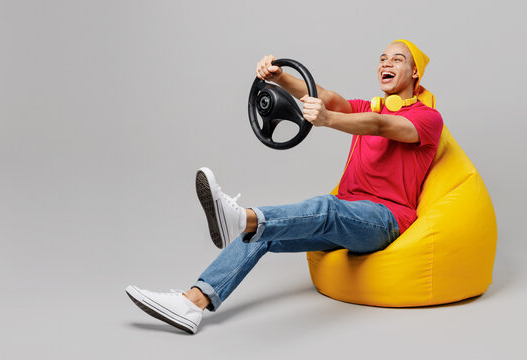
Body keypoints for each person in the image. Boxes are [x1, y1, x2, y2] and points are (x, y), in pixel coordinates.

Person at [125, 39, 444, 334]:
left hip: (384, 221)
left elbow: (382, 126)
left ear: (414, 71)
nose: (386, 63)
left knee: (325, 207)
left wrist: (328, 120)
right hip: (348, 215)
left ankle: (243, 219)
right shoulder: (366, 106)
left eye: (397, 59)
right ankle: (191, 303)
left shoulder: (428, 118)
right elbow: (325, 96)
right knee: (262, 235)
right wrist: (278, 77)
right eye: (382, 58)